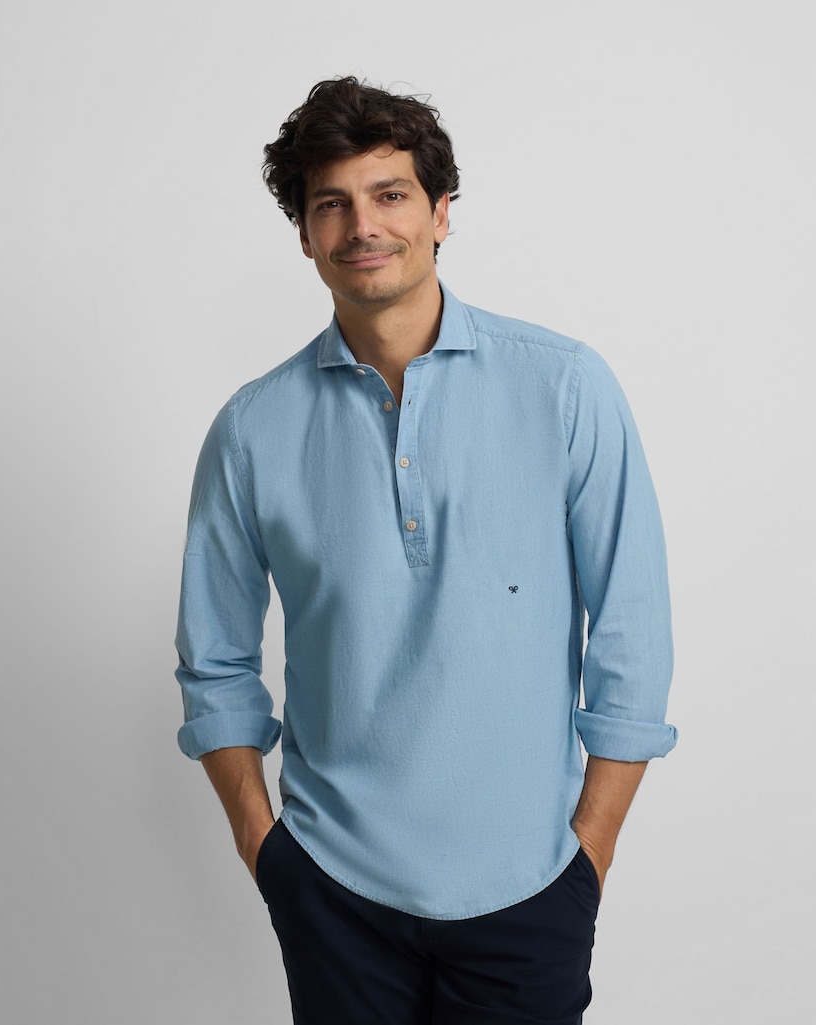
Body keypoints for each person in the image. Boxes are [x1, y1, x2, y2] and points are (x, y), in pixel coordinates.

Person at [174, 76, 677, 1025]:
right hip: (332, 891)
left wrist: (589, 853)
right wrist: (265, 848)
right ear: (305, 233)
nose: (363, 225)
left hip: (530, 885)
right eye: (332, 203)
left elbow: (632, 633)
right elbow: (215, 661)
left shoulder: (565, 389)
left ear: (442, 213)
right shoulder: (251, 430)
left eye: (390, 194)